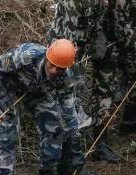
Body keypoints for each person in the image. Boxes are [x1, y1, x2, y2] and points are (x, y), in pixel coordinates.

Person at [0, 39, 93, 175]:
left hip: (35, 91)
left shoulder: (65, 76)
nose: (54, 71)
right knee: (9, 138)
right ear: (47, 57)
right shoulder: (25, 57)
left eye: (59, 69)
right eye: (51, 66)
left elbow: (69, 110)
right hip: (8, 90)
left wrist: (73, 140)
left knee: (55, 126)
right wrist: (2, 97)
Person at [47, 0, 119, 163]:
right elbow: (66, 41)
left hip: (87, 41)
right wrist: (77, 77)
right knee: (68, 99)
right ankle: (68, 157)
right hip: (62, 52)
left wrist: (99, 35)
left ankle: (100, 145)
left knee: (105, 88)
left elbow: (98, 20)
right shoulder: (73, 3)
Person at [92, 0, 136, 147]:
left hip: (128, 40)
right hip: (107, 45)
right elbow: (121, 28)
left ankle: (128, 121)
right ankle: (99, 143)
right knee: (104, 91)